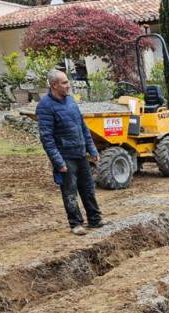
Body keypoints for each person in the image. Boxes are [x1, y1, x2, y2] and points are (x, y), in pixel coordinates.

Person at [36, 68, 105, 235]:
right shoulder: (45, 107)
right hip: (65, 156)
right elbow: (47, 138)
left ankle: (95, 219)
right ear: (54, 85)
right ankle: (76, 224)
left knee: (88, 188)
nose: (68, 85)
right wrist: (58, 162)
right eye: (64, 82)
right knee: (70, 191)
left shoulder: (71, 102)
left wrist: (92, 149)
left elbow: (83, 127)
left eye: (67, 81)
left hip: (80, 153)